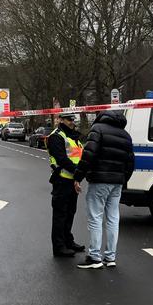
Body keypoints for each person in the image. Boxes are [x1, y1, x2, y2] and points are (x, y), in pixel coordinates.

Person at [73, 110, 135, 269]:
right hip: (117, 183)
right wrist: (122, 179)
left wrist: (78, 177)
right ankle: (110, 257)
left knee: (95, 218)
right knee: (113, 218)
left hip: (99, 181)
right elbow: (131, 162)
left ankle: (94, 257)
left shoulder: (98, 129)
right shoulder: (126, 135)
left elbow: (88, 155)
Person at [47, 114, 85, 257]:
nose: (72, 122)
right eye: (69, 119)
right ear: (60, 119)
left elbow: (79, 156)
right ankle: (59, 247)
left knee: (70, 213)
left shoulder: (73, 137)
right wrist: (78, 172)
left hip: (73, 180)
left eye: (73, 120)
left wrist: (78, 176)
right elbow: (62, 159)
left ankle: (68, 241)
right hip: (62, 180)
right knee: (60, 215)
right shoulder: (56, 136)